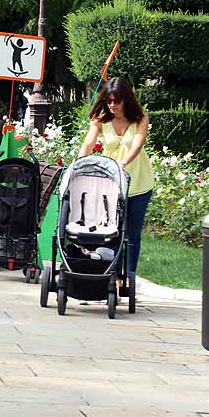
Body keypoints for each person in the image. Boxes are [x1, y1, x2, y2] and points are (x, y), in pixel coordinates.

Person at [78, 77, 154, 291]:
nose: (112, 105)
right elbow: (88, 143)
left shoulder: (140, 119)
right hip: (111, 185)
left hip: (138, 182)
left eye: (117, 101)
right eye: (109, 101)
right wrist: (80, 163)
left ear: (126, 100)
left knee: (132, 233)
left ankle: (129, 278)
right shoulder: (101, 121)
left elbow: (137, 145)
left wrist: (124, 163)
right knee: (110, 229)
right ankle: (107, 273)